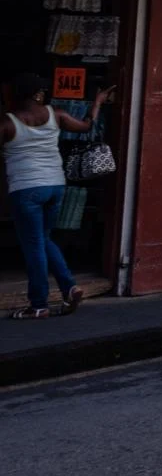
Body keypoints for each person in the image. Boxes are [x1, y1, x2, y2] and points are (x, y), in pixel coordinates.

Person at [3, 73, 111, 319]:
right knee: (43, 238)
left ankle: (39, 305)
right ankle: (69, 287)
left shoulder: (8, 123)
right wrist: (97, 103)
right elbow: (86, 127)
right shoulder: (57, 114)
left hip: (26, 189)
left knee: (34, 247)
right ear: (39, 93)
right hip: (55, 186)